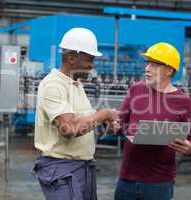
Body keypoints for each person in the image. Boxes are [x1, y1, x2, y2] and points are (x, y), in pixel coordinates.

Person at [33, 27, 119, 200]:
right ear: (71, 58)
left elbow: (84, 121)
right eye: (89, 60)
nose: (92, 65)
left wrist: (106, 124)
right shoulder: (53, 85)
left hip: (84, 167)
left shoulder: (75, 85)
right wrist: (103, 114)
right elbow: (69, 129)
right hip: (62, 170)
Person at [113, 42, 191, 200]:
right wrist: (114, 124)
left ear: (169, 69)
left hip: (159, 183)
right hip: (127, 179)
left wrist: (189, 148)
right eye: (147, 63)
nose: (147, 68)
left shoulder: (184, 102)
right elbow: (120, 126)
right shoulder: (136, 90)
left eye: (154, 65)